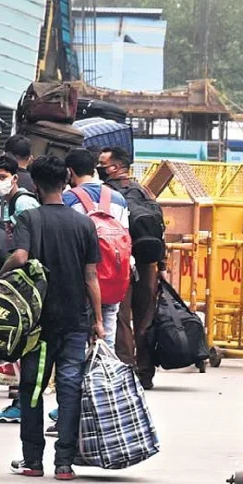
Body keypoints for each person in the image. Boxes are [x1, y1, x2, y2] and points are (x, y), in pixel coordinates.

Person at [3, 155, 103, 481]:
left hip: (38, 323)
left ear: (35, 184)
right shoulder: (85, 223)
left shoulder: (29, 219)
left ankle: (33, 460)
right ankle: (64, 463)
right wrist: (98, 321)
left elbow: (19, 257)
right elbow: (91, 277)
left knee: (32, 389)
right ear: (67, 180)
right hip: (75, 319)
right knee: (70, 388)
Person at [0, 156, 42, 425]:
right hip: (24, 280)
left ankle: (23, 403)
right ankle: (22, 400)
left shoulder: (24, 202)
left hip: (29, 280)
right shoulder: (10, 203)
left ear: (15, 177)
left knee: (26, 343)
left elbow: (21, 254)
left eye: (3, 177)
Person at [99, 147, 160, 390]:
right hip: (148, 264)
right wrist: (161, 264)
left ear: (114, 167)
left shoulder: (109, 195)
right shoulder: (145, 191)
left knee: (122, 318)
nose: (99, 167)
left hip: (121, 262)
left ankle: (126, 371)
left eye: (102, 163)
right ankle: (145, 373)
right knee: (145, 318)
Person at [64, 149, 130, 351]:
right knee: (107, 333)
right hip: (113, 275)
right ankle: (102, 378)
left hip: (81, 277)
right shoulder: (118, 198)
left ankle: (82, 380)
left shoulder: (68, 198)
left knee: (78, 337)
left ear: (70, 171)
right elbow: (126, 236)